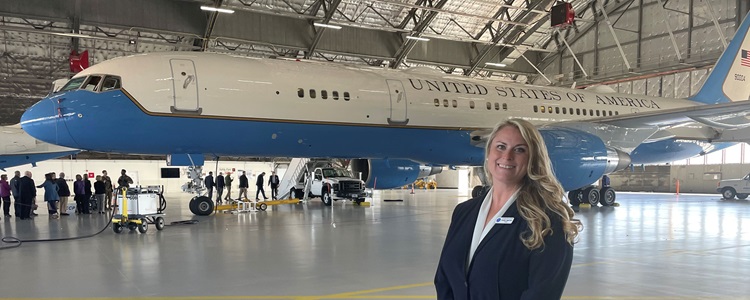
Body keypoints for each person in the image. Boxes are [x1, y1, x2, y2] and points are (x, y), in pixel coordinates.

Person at [434, 119, 580, 300]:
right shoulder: (463, 212)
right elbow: (444, 279)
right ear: (488, 153)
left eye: (519, 149)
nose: (507, 156)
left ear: (533, 159)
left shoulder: (548, 221)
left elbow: (542, 294)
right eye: (501, 147)